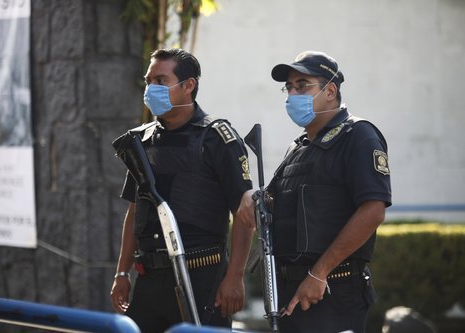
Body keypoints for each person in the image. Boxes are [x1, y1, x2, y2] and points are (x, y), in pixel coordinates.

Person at [237, 51, 392, 333]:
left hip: (333, 290)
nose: (292, 94)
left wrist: (318, 274)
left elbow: (373, 210)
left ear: (330, 91)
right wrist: (253, 197)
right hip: (291, 293)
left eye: (302, 85)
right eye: (289, 88)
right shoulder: (299, 147)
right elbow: (276, 204)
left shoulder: (358, 135)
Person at [110, 48, 254, 333]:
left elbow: (244, 213)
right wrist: (122, 272)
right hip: (148, 277)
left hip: (202, 277)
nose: (151, 89)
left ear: (189, 85)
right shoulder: (142, 140)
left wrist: (234, 277)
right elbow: (136, 209)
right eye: (149, 81)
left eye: (161, 81)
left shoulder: (216, 137)